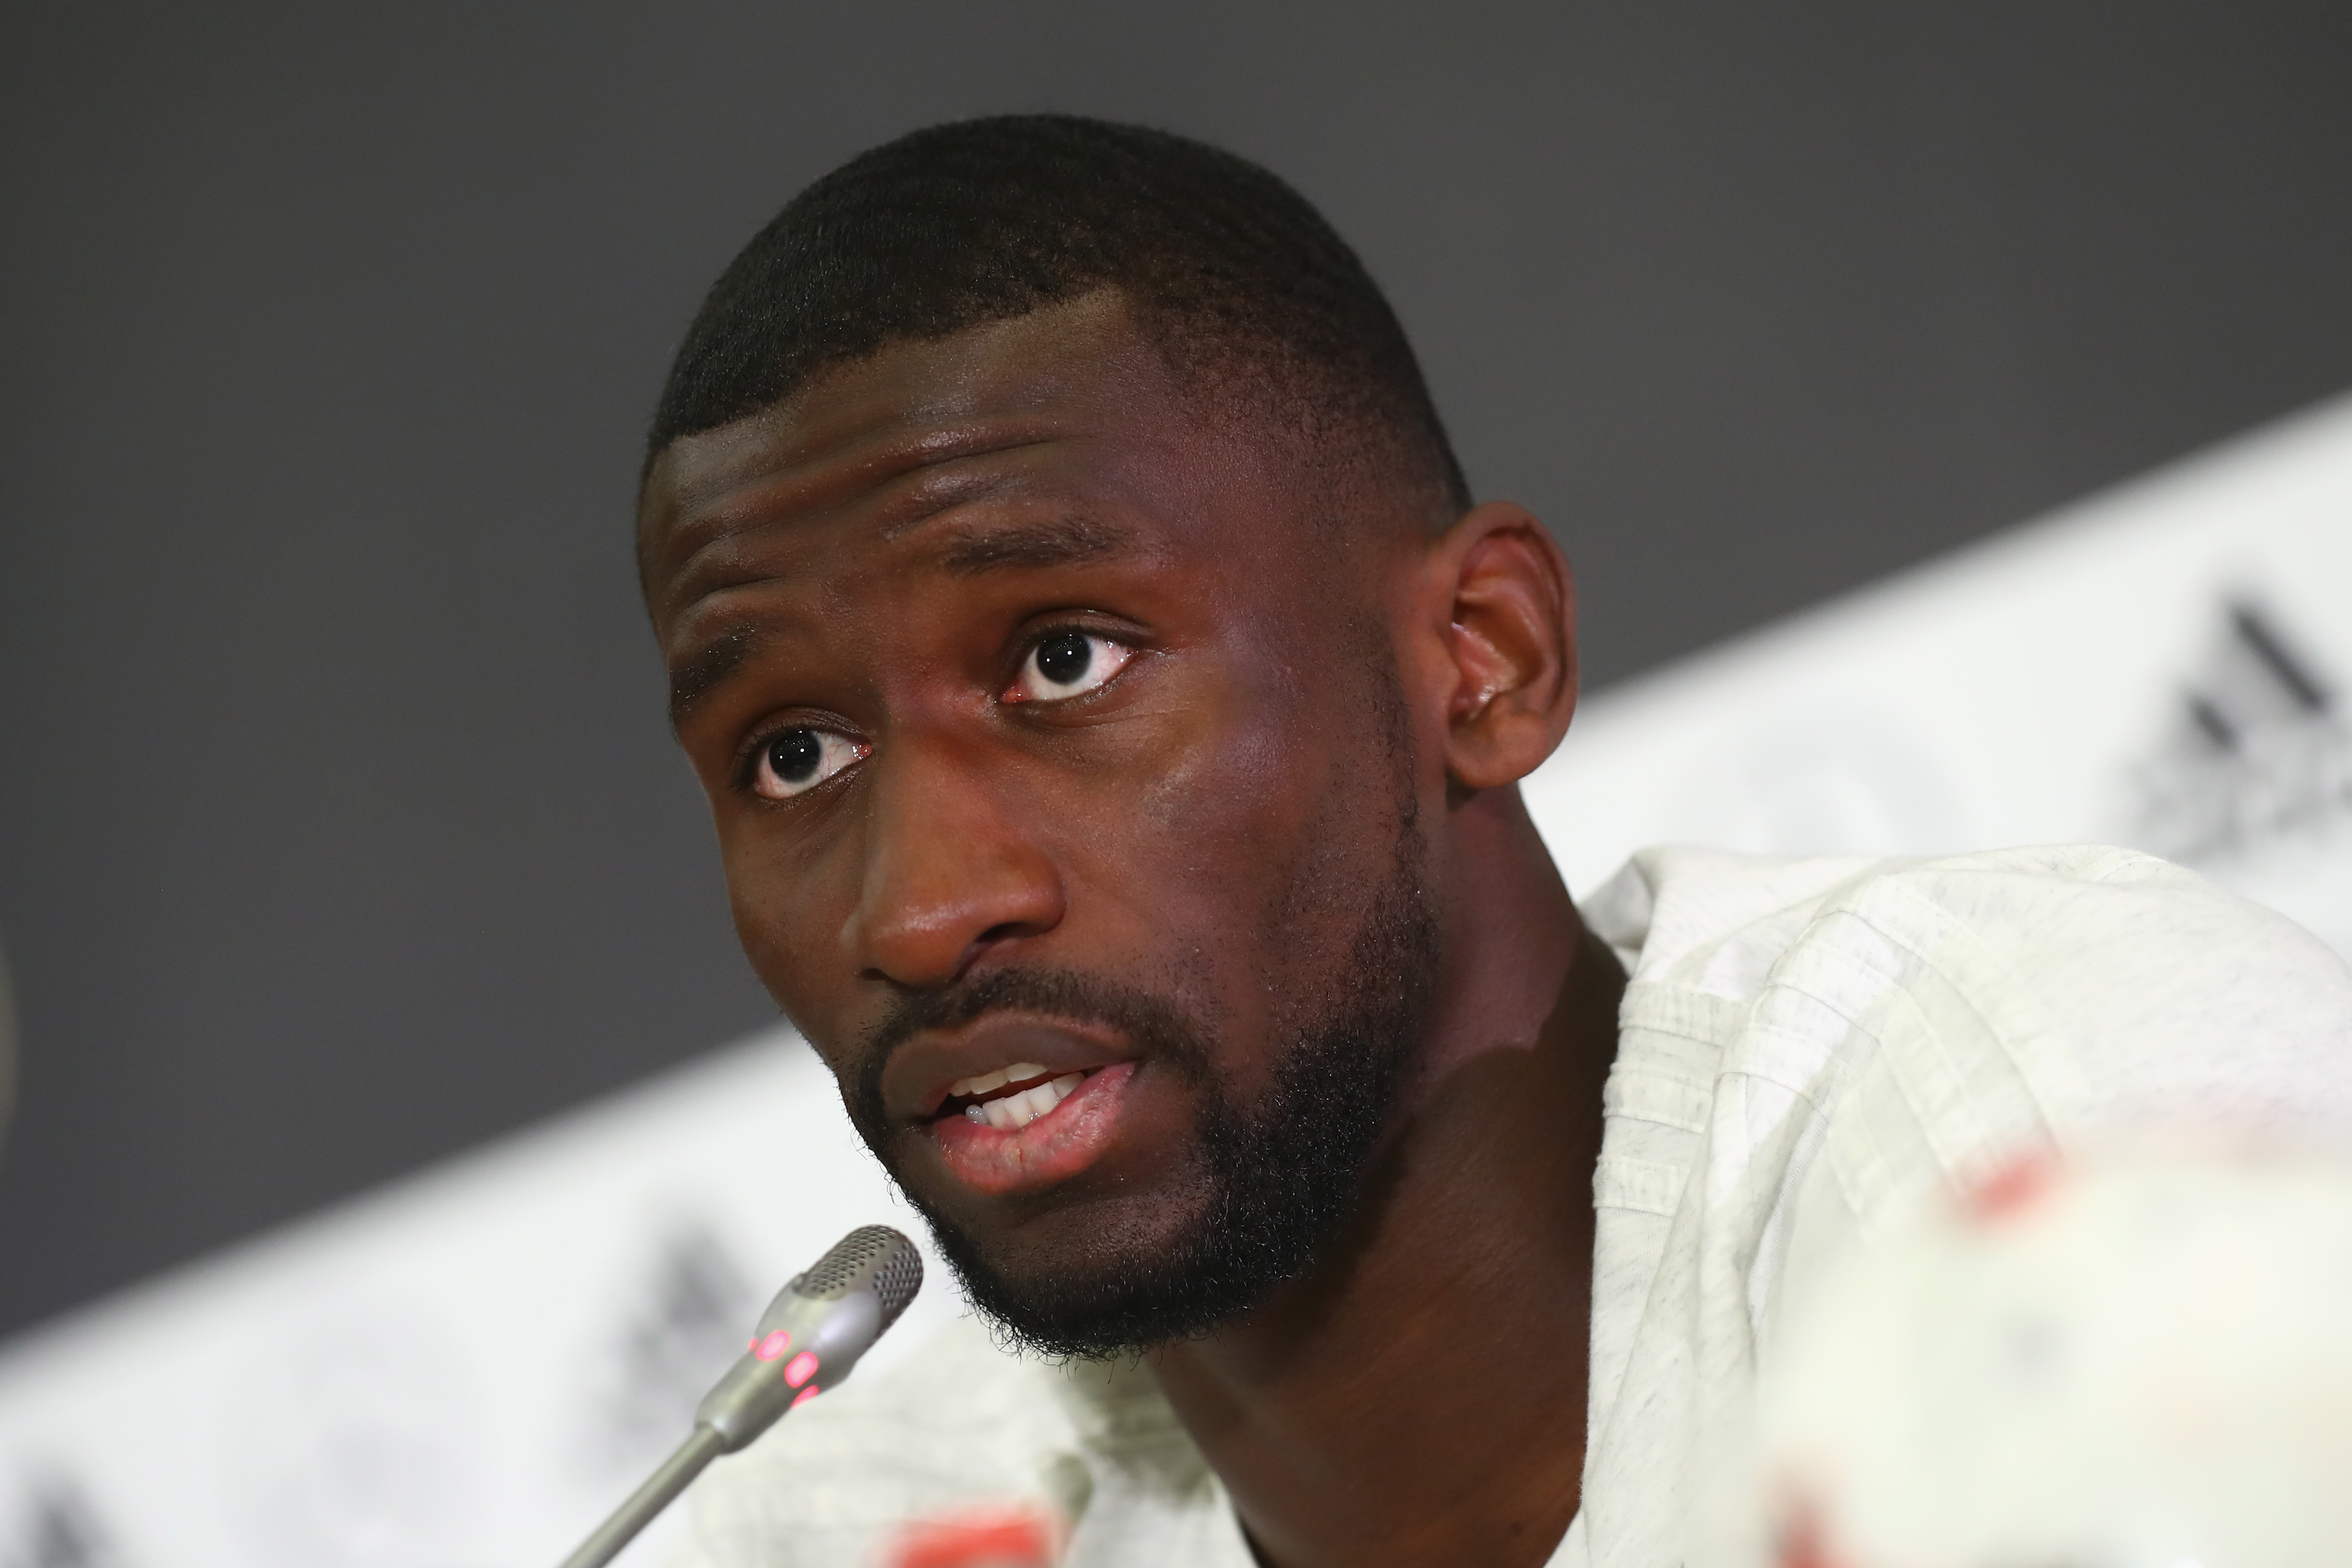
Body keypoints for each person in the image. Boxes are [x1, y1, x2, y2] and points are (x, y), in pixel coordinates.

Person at [634, 115, 2352, 1568]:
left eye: (1066, 660)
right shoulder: (844, 1528)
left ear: (1484, 660)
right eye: (794, 755)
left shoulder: (2055, 1159)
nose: (923, 911)